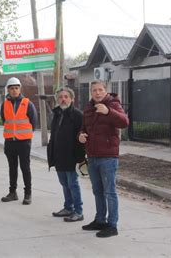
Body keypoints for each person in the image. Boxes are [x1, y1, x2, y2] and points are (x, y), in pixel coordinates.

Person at [78, 80, 129, 238]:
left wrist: (108, 112)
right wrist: (80, 135)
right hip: (92, 156)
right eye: (94, 90)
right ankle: (100, 220)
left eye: (100, 90)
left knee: (110, 192)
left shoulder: (113, 104)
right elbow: (83, 128)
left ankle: (112, 225)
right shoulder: (88, 107)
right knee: (97, 191)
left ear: (106, 91)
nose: (97, 93)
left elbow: (124, 122)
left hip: (108, 157)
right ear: (91, 92)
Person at [47, 87, 86, 222]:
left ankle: (78, 211)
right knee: (64, 183)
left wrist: (80, 158)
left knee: (72, 184)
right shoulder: (56, 114)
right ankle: (68, 208)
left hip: (72, 156)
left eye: (66, 97)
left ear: (72, 99)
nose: (63, 99)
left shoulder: (77, 115)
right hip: (58, 156)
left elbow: (82, 137)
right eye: (60, 97)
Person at [0, 77, 37, 205]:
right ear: (8, 90)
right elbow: (4, 120)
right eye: (12, 88)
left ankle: (28, 194)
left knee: (25, 168)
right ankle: (12, 192)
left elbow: (34, 122)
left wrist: (26, 136)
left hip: (24, 142)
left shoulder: (27, 103)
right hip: (10, 141)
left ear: (20, 89)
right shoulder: (4, 104)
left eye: (16, 88)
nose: (14, 91)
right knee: (12, 168)